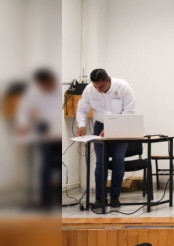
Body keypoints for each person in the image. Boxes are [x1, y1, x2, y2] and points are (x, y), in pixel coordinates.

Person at [76, 68, 136, 209]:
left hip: (120, 125)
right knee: (100, 163)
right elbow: (82, 109)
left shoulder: (123, 87)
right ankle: (100, 198)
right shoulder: (90, 89)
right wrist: (82, 125)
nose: (99, 90)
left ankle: (115, 197)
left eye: (102, 86)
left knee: (118, 161)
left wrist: (111, 126)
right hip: (99, 126)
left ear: (108, 80)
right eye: (96, 87)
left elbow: (129, 111)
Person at [15, 68, 62, 208]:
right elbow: (24, 110)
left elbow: (59, 110)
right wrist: (23, 125)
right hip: (43, 126)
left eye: (48, 84)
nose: (46, 87)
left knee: (59, 165)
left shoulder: (59, 89)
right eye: (43, 85)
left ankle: (59, 197)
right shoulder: (33, 92)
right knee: (45, 165)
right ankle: (45, 199)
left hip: (57, 126)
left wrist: (54, 128)